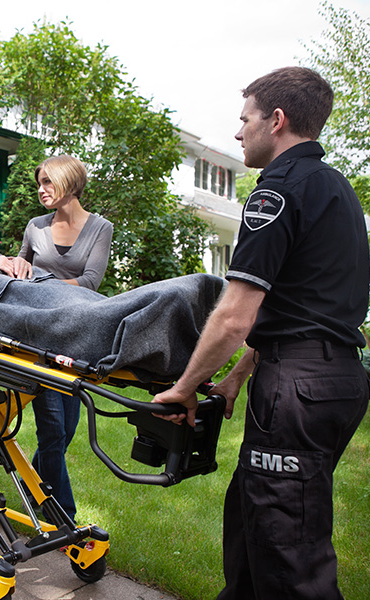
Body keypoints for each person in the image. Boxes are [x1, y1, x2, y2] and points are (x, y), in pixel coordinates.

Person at [152, 67, 369, 600]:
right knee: (252, 522)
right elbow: (297, 303)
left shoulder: (278, 191)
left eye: (244, 118)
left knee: (290, 557)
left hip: (296, 392)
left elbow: (235, 316)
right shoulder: (337, 189)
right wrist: (234, 379)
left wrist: (183, 388)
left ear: (276, 120)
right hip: (337, 379)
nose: (236, 132)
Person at [17, 155, 113, 521]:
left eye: (47, 182)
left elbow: (91, 282)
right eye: (39, 183)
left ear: (69, 182)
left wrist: (41, 284)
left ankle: (29, 489)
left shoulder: (100, 227)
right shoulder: (35, 227)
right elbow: (18, 270)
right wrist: (20, 264)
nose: (41, 190)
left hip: (75, 336)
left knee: (65, 432)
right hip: (37, 336)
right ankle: (63, 518)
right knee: (53, 431)